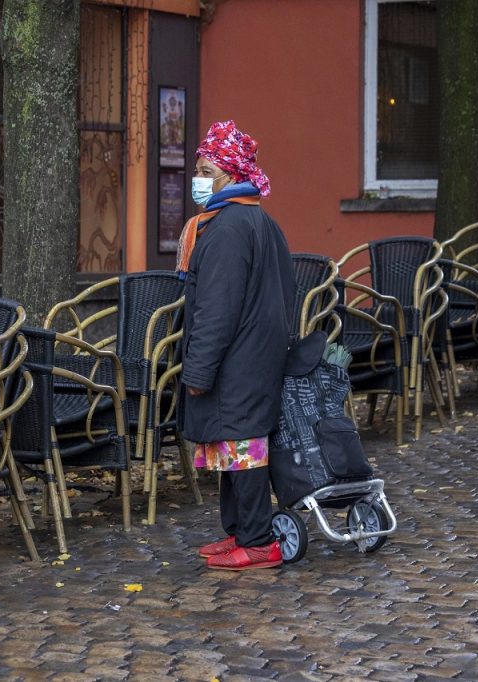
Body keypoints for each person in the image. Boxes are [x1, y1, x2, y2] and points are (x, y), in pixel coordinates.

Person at [176, 120, 294, 571]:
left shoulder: (226, 228)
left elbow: (215, 310)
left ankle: (259, 541)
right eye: (198, 168)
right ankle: (239, 533)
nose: (199, 179)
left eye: (206, 169)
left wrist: (198, 371)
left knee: (243, 453)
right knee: (233, 449)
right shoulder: (258, 219)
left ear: (229, 175)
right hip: (255, 357)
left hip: (236, 363)